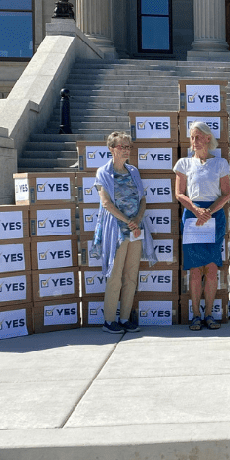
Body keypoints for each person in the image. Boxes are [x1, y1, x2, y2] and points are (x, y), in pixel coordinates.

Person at [92, 131, 157, 334]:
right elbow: (106, 203)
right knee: (115, 275)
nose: (126, 150)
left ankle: (125, 318)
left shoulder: (134, 172)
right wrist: (127, 221)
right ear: (111, 149)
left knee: (131, 276)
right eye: (122, 147)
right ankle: (109, 320)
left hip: (135, 230)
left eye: (128, 147)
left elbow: (143, 199)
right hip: (116, 231)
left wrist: (137, 220)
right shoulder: (102, 172)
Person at [174, 121, 230, 331]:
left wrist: (209, 212)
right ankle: (196, 315)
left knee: (213, 269)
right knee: (196, 271)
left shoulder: (221, 163)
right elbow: (179, 193)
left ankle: (209, 314)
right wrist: (197, 210)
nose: (194, 141)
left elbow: (226, 193)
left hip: (214, 217)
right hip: (192, 217)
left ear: (208, 138)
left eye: (198, 137)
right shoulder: (183, 164)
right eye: (191, 137)